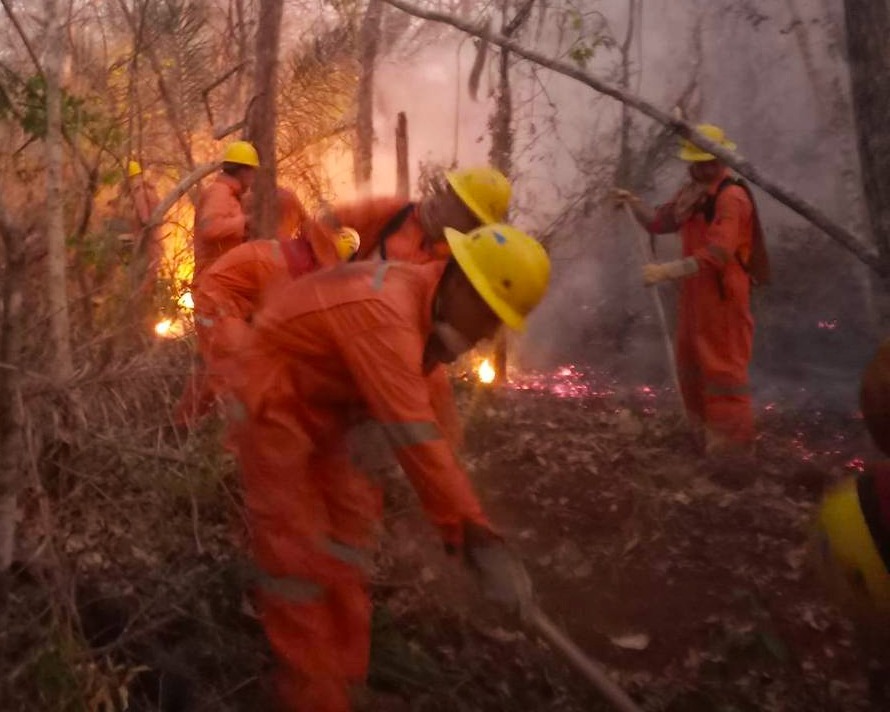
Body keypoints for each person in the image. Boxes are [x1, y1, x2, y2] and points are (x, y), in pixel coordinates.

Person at [228, 223, 550, 711]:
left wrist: (468, 527)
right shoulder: (385, 312)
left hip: (335, 411)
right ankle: (315, 700)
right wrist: (477, 539)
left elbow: (434, 431)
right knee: (298, 564)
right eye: (488, 313)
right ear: (458, 280)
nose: (487, 333)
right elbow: (415, 434)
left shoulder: (424, 307)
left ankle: (347, 682)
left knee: (349, 546)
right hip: (274, 402)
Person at [613, 124, 766, 455]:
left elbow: (719, 253)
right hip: (696, 295)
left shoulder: (732, 198)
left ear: (721, 158)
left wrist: (668, 271)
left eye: (710, 161)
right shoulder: (693, 194)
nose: (704, 168)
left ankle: (732, 448)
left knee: (723, 371)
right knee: (691, 362)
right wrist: (634, 202)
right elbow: (660, 222)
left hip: (723, 297)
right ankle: (700, 435)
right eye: (699, 162)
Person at [309, 166, 511, 263]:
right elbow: (331, 221)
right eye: (450, 195)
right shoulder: (395, 211)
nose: (446, 206)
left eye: (460, 209)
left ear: (473, 226)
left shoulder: (447, 269)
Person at [192, 140, 259, 278]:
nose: (253, 177)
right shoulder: (219, 193)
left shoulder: (231, 195)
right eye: (252, 171)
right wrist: (244, 222)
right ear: (242, 171)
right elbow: (210, 228)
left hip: (221, 279)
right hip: (213, 283)